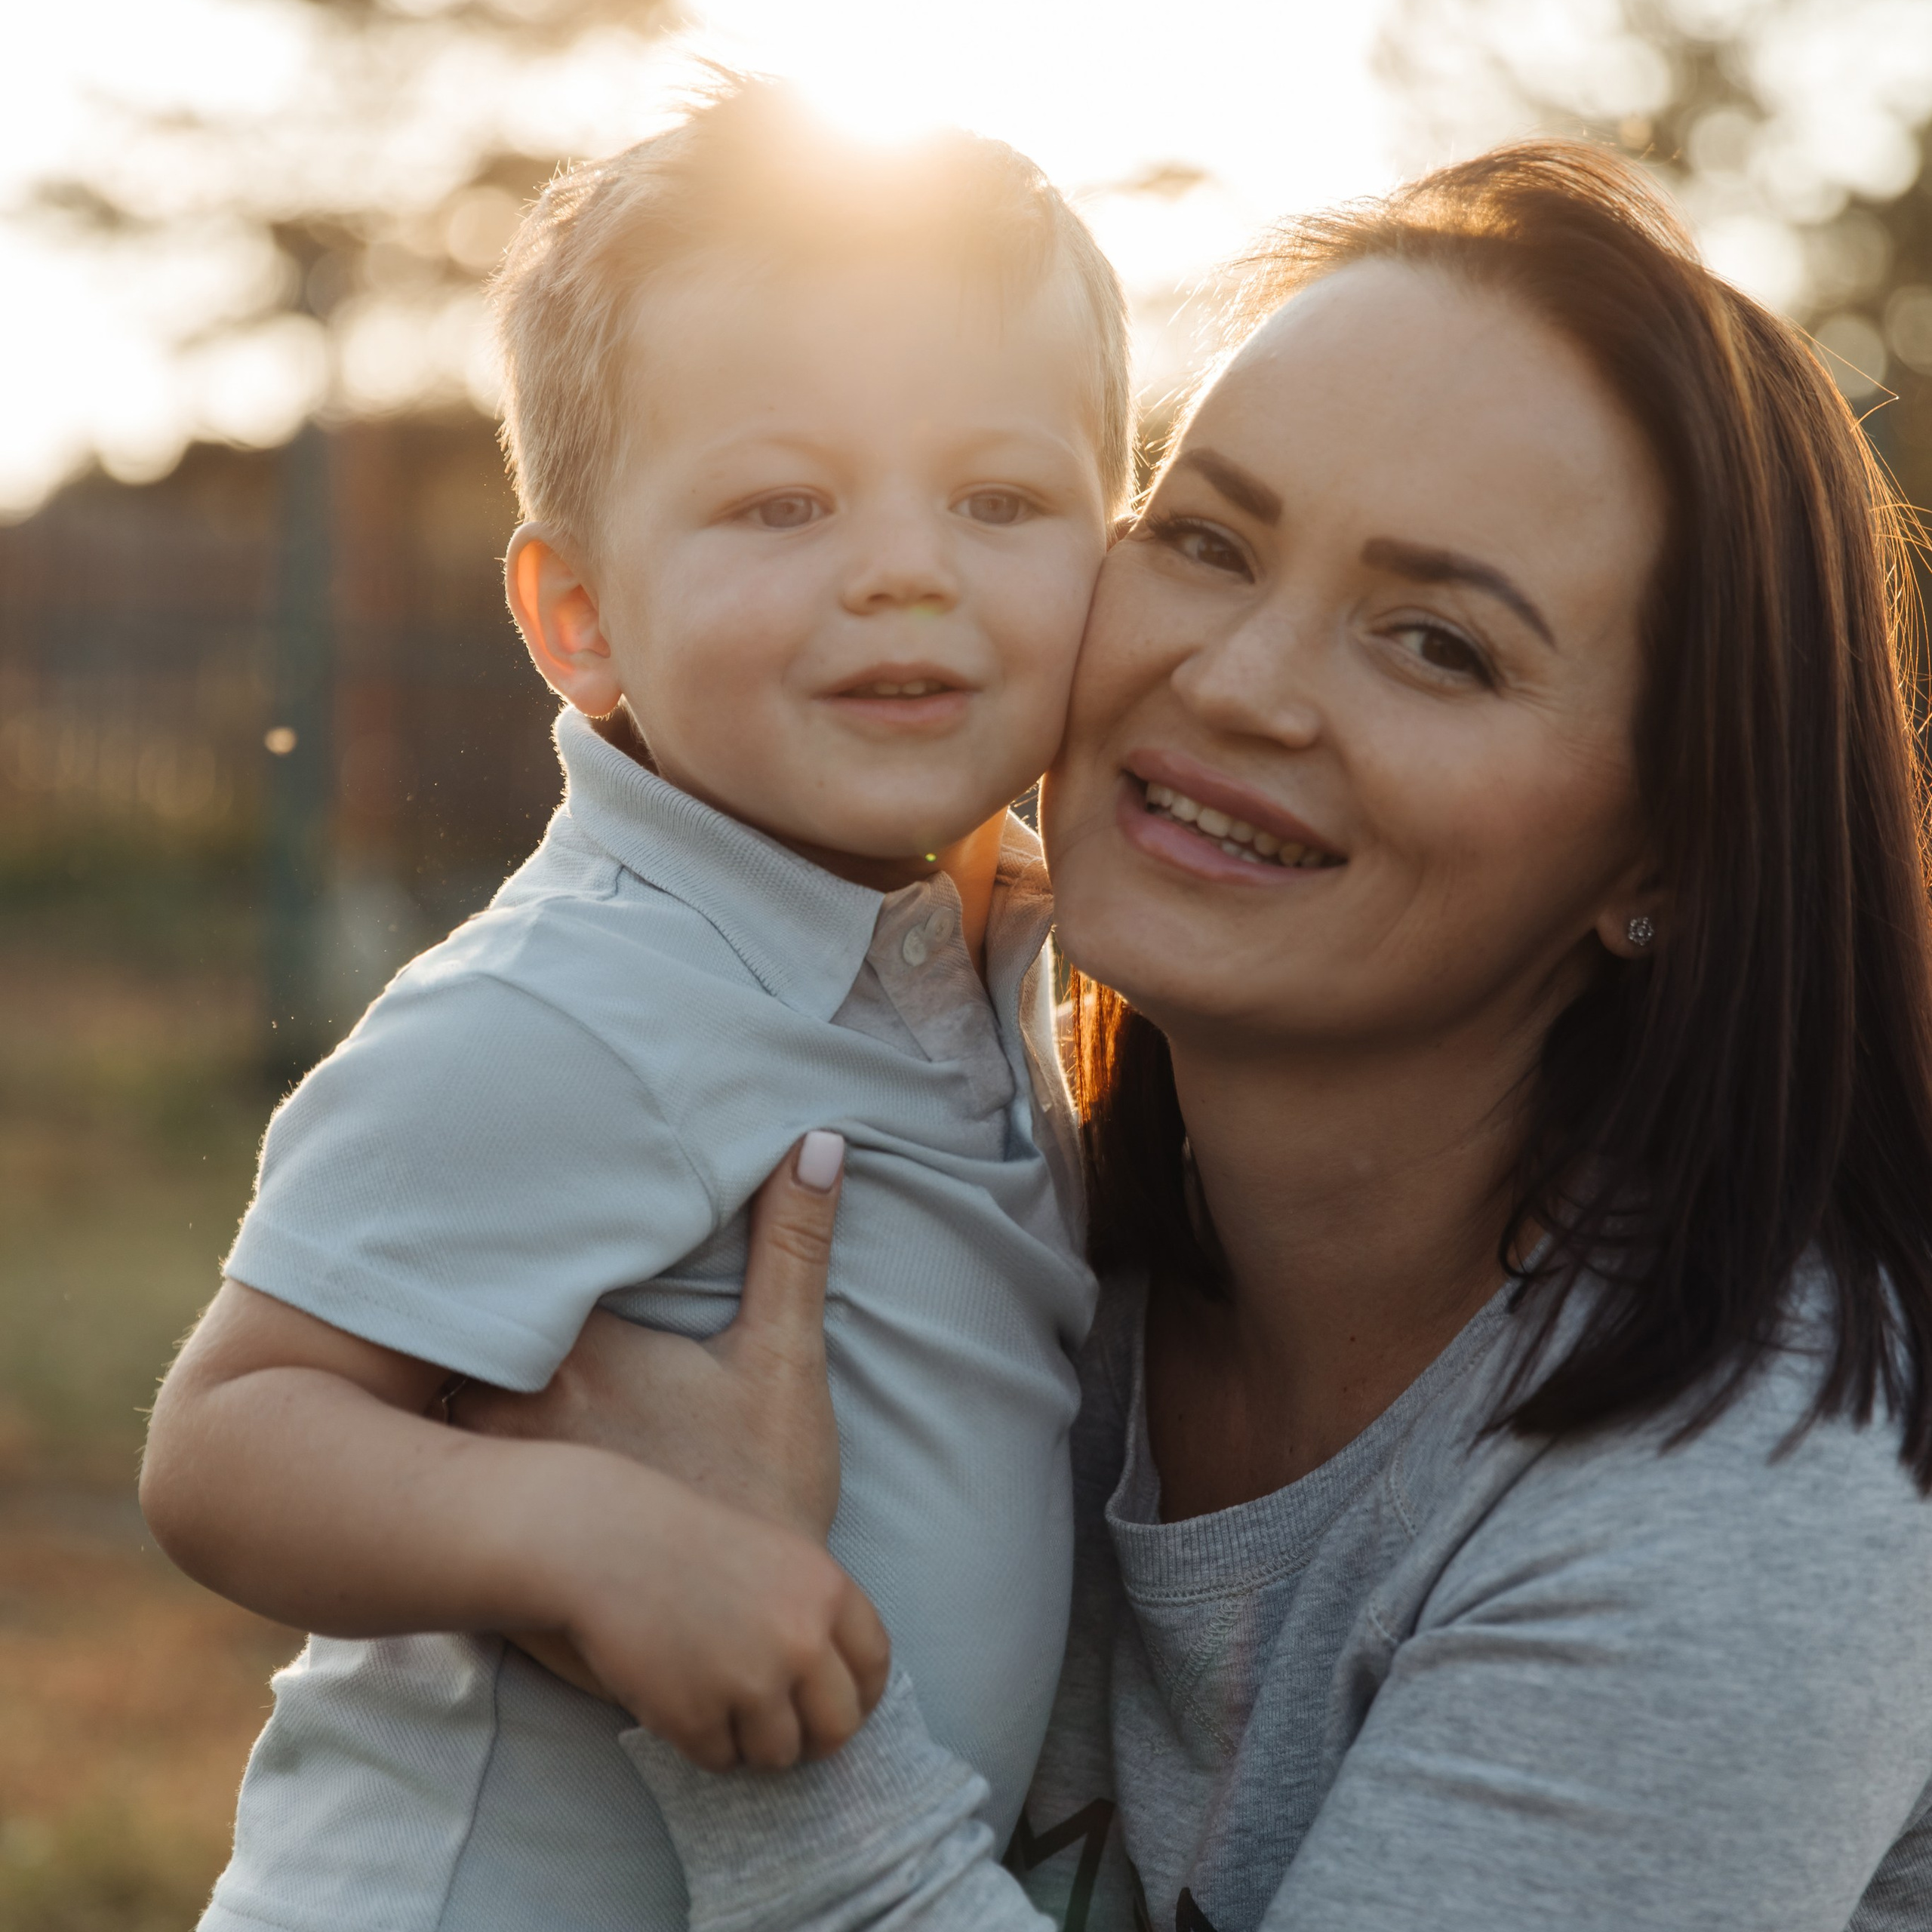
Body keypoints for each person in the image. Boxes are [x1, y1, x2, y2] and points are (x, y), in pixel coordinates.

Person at [466, 144, 1932, 1929]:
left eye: (1438, 644)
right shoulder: (980, 1231)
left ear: (1667, 851)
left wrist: (757, 1679)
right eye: (1205, 538)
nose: (1236, 681)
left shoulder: (1744, 1510)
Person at [137, 78, 1133, 1932]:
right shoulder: (576, 1001)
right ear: (579, 615)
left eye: (998, 497)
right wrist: (602, 1534)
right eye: (780, 500)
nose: (902, 562)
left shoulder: (986, 953)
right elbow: (227, 1435)